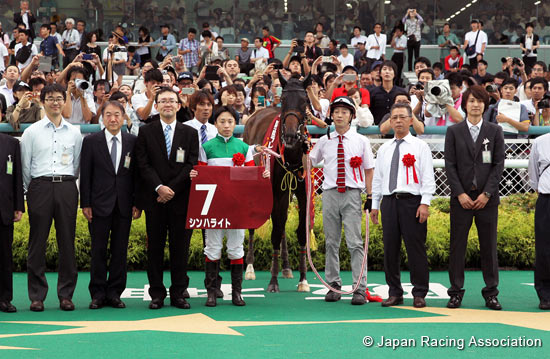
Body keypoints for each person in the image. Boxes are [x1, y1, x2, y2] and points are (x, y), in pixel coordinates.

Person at [191, 106, 268, 306]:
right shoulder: (206, 147)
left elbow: (251, 178)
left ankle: (237, 293)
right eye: (222, 121)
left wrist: (262, 176)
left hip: (237, 208)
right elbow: (202, 176)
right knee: (213, 248)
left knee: (236, 248)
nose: (226, 126)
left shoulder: (243, 148)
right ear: (215, 124)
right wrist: (194, 175)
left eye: (230, 121)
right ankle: (211, 292)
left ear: (236, 124)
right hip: (214, 207)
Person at [20, 84, 83, 312]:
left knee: (67, 242)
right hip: (40, 187)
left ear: (64, 101)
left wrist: (67, 184)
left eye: (59, 98)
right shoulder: (32, 132)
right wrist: (33, 189)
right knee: (37, 243)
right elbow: (26, 166)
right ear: (42, 101)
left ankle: (66, 295)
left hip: (66, 187)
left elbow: (76, 165)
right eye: (50, 98)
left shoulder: (75, 132)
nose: (55, 102)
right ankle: (37, 296)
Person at [135, 88, 199, 310]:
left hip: (181, 200)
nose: (168, 105)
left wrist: (171, 189)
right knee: (155, 248)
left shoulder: (190, 133)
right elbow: (142, 164)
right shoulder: (146, 132)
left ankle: (179, 293)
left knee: (180, 248)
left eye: (172, 101)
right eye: (163, 101)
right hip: (155, 200)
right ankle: (157, 293)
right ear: (157, 105)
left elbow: (191, 164)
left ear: (179, 105)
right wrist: (159, 187)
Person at [309, 96, 375, 305]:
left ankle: (359, 287)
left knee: (355, 243)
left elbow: (369, 170)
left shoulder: (361, 140)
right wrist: (301, 149)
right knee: (331, 242)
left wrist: (371, 195)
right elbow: (310, 162)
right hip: (329, 194)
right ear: (331, 115)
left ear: (351, 116)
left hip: (352, 194)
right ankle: (333, 285)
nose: (339, 115)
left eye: (344, 112)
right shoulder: (324, 140)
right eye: (336, 111)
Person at [444, 85, 505, 311]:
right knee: (457, 247)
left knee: (488, 247)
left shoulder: (494, 131)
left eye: (480, 101)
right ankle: (455, 292)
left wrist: (487, 193)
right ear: (465, 104)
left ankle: (491, 293)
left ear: (485, 105)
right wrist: (459, 193)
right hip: (461, 199)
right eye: (472, 101)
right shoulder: (454, 131)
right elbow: (449, 165)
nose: (476, 105)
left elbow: (498, 165)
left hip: (486, 199)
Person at [371, 102, 435, 308]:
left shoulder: (420, 146)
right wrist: (375, 205)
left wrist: (425, 203)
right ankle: (395, 292)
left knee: (415, 248)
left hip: (412, 202)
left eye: (402, 117)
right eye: (394, 117)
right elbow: (378, 180)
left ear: (410, 120)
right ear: (390, 122)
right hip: (389, 202)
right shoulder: (384, 149)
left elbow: (428, 177)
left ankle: (419, 293)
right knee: (390, 249)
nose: (398, 121)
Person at [80, 101, 139, 310]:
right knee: (98, 250)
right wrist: (85, 203)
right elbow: (85, 174)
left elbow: (136, 176)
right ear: (101, 117)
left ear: (123, 117)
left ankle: (114, 293)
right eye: (108, 115)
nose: (113, 119)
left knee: (120, 250)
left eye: (117, 115)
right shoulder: (91, 141)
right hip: (98, 205)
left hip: (124, 204)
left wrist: (136, 203)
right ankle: (97, 293)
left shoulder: (133, 141)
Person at [0, 132, 24, 313]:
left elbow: (17, 176)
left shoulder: (12, 143)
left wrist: (18, 206)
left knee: (5, 256)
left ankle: (4, 298)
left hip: (4, 208)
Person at [528, 131, 550, 310]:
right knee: (544, 248)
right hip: (546, 199)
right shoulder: (540, 142)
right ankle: (545, 295)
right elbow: (533, 175)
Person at [369, 60, 404, 125]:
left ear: (394, 74)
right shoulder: (372, 92)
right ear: (380, 73)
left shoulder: (402, 92)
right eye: (384, 69)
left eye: (390, 69)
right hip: (377, 130)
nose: (387, 72)